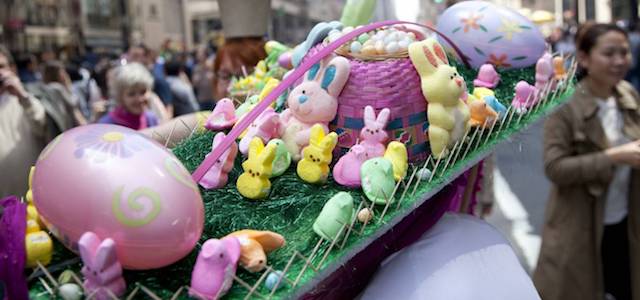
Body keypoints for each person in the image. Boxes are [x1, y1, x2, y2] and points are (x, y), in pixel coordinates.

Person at [533, 23, 640, 300]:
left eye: (624, 53)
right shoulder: (564, 105)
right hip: (580, 228)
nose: (619, 61)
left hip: (626, 223)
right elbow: (555, 167)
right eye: (609, 53)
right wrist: (612, 157)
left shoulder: (628, 94)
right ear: (584, 58)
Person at [0, 45, 47, 198]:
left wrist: (22, 96)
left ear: (12, 69)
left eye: (1, 66)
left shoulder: (28, 97)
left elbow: (42, 126)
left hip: (31, 201)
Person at [98, 63, 159, 130]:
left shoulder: (151, 119)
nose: (139, 99)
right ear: (120, 97)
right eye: (131, 94)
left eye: (143, 92)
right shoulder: (108, 124)